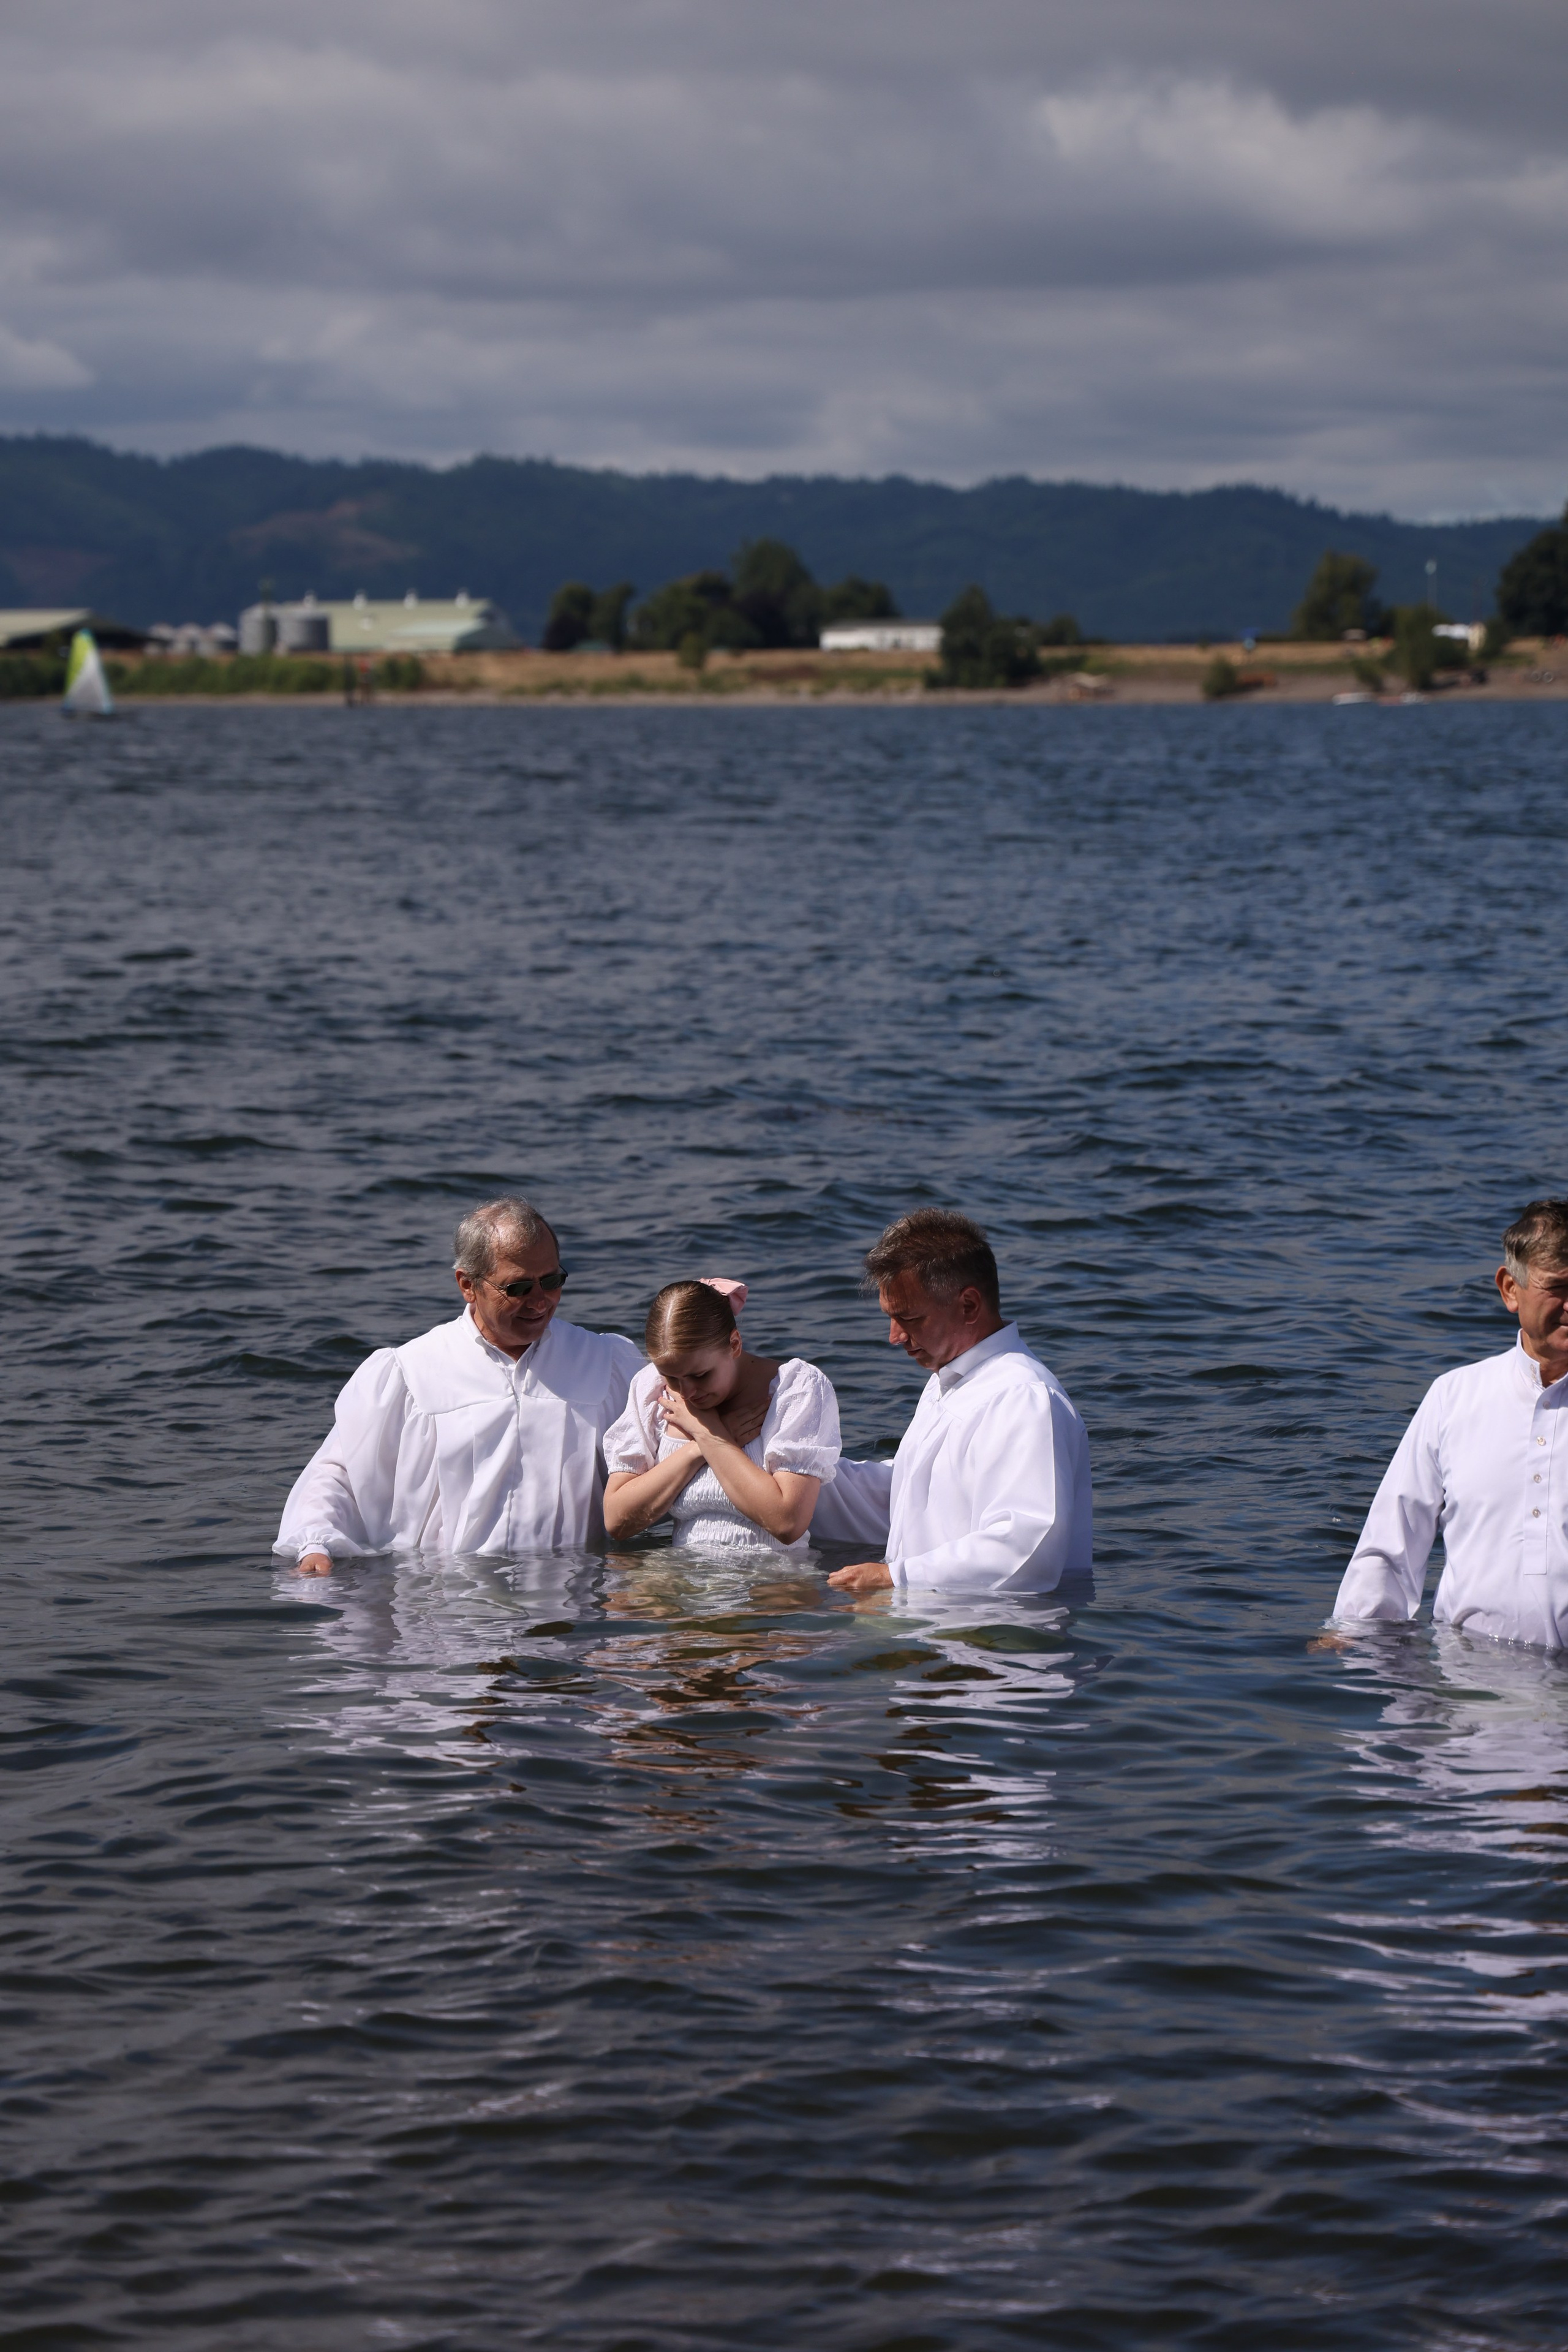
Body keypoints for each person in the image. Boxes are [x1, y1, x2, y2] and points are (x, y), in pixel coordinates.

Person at [276, 1197, 641, 1574]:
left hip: (573, 1596)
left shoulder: (607, 1362)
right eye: (517, 1288)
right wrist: (315, 1543)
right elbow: (341, 1472)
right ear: (468, 1285)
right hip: (447, 1598)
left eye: (551, 1281)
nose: (539, 1301)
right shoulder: (411, 1372)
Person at [813, 1208, 1092, 1595]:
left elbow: (1028, 1549)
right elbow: (913, 1499)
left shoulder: (1023, 1398)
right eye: (890, 1318)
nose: (894, 1337)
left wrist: (896, 1579)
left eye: (909, 1319)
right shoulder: (951, 1379)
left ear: (969, 1306)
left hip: (1001, 1646)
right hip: (940, 1628)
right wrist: (803, 1475)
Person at [1330, 1198, 1568, 1647]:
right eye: (1558, 1286)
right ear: (1510, 1289)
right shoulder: (1455, 1397)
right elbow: (1394, 1540)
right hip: (1470, 1682)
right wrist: (1353, 1635)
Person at [602, 1279, 841, 1552]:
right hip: (682, 1579)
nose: (687, 1392)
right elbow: (617, 1521)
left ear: (735, 1344)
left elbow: (787, 1523)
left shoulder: (796, 1388)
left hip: (771, 1579)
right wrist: (701, 1446)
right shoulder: (652, 1389)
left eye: (701, 1375)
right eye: (672, 1377)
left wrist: (708, 1434)